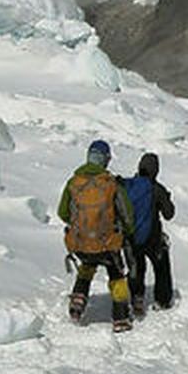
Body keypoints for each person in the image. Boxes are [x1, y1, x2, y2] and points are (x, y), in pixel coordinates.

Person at [57, 139, 136, 330]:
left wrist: (82, 227)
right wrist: (129, 231)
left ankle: (78, 300)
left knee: (87, 266)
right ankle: (120, 317)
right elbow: (127, 215)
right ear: (106, 160)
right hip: (107, 245)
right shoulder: (111, 184)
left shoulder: (74, 182)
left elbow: (62, 212)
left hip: (81, 244)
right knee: (117, 275)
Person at [124, 151, 176, 314]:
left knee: (136, 267)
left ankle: (136, 296)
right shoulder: (157, 189)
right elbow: (169, 214)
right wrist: (166, 198)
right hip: (153, 239)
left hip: (132, 237)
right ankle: (162, 300)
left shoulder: (129, 185)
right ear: (156, 170)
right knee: (161, 268)